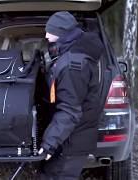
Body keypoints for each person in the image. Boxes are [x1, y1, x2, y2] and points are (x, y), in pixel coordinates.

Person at [38, 11, 104, 179]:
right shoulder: (68, 55)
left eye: (50, 31)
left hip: (72, 140)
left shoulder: (72, 65)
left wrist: (49, 145)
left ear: (62, 33)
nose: (46, 35)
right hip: (68, 137)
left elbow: (70, 110)